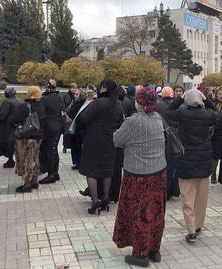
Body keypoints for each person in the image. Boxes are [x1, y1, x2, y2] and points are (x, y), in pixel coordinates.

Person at [113, 86, 167, 268]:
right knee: (156, 213)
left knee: (139, 214)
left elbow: (116, 140)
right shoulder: (158, 118)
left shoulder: (133, 122)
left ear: (140, 102)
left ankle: (141, 255)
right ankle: (154, 250)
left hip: (138, 176)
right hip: (159, 173)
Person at [166, 89, 217, 244]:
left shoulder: (182, 114)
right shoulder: (208, 115)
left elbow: (169, 112)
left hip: (186, 160)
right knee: (201, 198)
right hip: (204, 160)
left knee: (187, 198)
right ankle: (199, 225)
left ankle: (191, 229)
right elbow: (217, 113)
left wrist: (180, 99)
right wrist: (207, 100)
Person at [76, 79, 124, 215]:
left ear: (104, 88)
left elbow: (83, 118)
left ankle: (95, 200)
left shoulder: (97, 103)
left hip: (93, 142)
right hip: (110, 142)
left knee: (91, 171)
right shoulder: (118, 105)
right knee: (107, 170)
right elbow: (120, 121)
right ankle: (106, 198)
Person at [8, 86, 46, 193]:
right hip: (38, 137)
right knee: (35, 158)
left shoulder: (25, 106)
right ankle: (34, 181)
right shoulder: (41, 105)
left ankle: (27, 185)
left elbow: (11, 120)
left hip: (26, 138)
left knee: (26, 160)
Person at [38, 79, 64, 184]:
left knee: (49, 151)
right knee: (54, 150)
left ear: (48, 87)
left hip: (49, 128)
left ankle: (51, 175)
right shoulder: (59, 97)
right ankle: (55, 173)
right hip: (58, 127)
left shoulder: (45, 99)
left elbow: (41, 114)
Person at [156, 87, 180, 200]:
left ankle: (160, 190)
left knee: (161, 165)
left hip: (160, 137)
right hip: (175, 138)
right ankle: (171, 190)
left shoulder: (157, 105)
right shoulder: (177, 106)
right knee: (172, 165)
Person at [0, 87, 21, 168]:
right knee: (13, 144)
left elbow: (3, 114)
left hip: (7, 126)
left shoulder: (6, 102)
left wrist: (0, 120)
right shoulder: (18, 100)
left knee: (7, 144)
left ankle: (10, 160)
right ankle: (12, 160)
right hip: (16, 125)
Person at [211, 88, 222, 184]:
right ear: (216, 95)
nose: (221, 96)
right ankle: (213, 174)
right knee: (215, 155)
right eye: (220, 94)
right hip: (214, 133)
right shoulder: (213, 104)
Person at [67, 89, 87, 170]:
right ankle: (77, 162)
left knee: (78, 147)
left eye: (77, 94)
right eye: (74, 94)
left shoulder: (81, 104)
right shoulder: (75, 102)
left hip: (79, 129)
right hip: (75, 128)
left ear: (80, 95)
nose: (75, 96)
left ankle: (79, 163)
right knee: (75, 146)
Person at [62, 83, 77, 154]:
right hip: (67, 116)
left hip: (74, 116)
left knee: (73, 132)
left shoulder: (76, 95)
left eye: (75, 88)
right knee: (66, 132)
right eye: (73, 88)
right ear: (70, 88)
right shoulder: (65, 95)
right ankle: (65, 146)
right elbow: (62, 105)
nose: (74, 89)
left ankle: (72, 146)